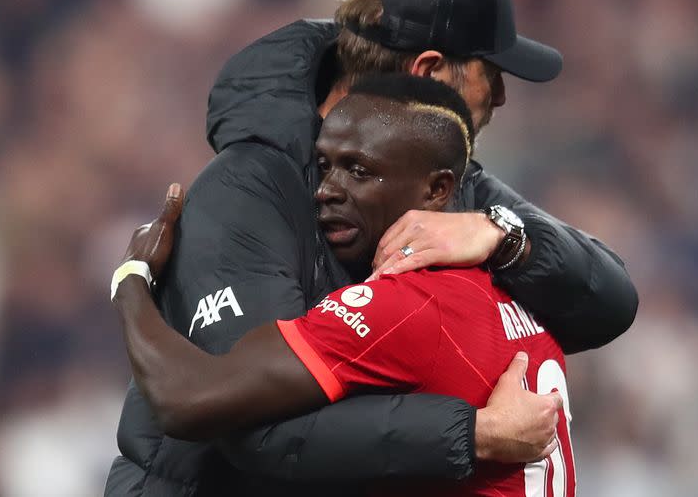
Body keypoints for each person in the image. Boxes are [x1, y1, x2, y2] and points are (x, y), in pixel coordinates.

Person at [106, 0, 638, 495]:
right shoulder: (247, 190)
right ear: (429, 72)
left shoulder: (448, 184)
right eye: (490, 73)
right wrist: (474, 434)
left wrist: (504, 236)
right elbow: (252, 430)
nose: (499, 97)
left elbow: (610, 299)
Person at [111, 74, 575, 497]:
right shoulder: (521, 292)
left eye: (358, 171)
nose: (324, 190)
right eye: (324, 165)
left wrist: (132, 279)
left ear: (437, 189)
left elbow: (188, 400)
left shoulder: (397, 306)